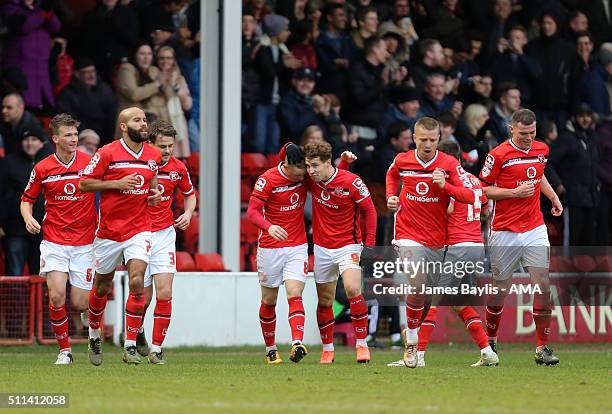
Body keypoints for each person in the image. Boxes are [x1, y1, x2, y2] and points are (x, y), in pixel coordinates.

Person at [388, 139, 498, 367]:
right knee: (457, 302)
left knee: (434, 300)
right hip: (477, 247)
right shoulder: (474, 180)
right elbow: (485, 211)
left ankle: (418, 357)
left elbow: (446, 210)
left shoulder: (444, 182)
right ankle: (487, 352)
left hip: (457, 247)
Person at [479, 108, 563, 365]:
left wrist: (552, 196)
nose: (528, 137)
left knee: (543, 284)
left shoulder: (541, 149)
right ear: (511, 129)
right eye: (524, 133)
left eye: (532, 132)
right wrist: (514, 193)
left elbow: (539, 175)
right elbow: (482, 188)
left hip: (534, 227)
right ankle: (490, 341)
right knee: (500, 289)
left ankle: (542, 348)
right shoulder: (498, 155)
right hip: (504, 230)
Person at [79, 107, 162, 366]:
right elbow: (84, 183)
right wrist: (116, 184)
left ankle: (130, 345)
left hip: (140, 228)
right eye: (137, 120)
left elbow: (152, 182)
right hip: (109, 232)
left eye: (145, 120)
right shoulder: (107, 152)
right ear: (124, 126)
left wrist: (155, 193)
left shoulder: (154, 154)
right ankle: (94, 333)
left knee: (137, 279)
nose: (144, 124)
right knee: (102, 286)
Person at [20, 114, 97, 365]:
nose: (74, 139)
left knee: (79, 302)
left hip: (85, 242)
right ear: (55, 138)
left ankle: (92, 316)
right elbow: (26, 199)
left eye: (75, 134)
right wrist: (28, 218)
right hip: (54, 240)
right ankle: (65, 351)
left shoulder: (90, 163)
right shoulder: (42, 168)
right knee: (55, 296)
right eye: (68, 135)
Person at [303, 141, 377, 364]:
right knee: (325, 301)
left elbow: (370, 211)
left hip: (349, 245)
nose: (311, 171)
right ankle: (327, 349)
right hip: (323, 248)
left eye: (315, 165)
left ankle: (362, 345)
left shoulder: (352, 182)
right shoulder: (312, 181)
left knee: (353, 288)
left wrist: (370, 247)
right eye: (308, 166)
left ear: (328, 163)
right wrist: (343, 162)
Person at [246, 143, 309, 364]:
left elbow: (332, 177)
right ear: (287, 165)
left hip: (297, 246)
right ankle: (271, 349)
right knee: (269, 299)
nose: (304, 175)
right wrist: (269, 226)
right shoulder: (268, 180)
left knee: (294, 292)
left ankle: (297, 343)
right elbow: (252, 212)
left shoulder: (306, 177)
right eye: (300, 170)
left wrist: (346, 162)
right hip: (270, 248)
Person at [140, 120, 196, 364]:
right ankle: (137, 329)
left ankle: (157, 348)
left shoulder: (178, 168)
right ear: (149, 143)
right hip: (138, 235)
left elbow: (189, 194)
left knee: (165, 292)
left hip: (164, 234)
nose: (166, 151)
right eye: (162, 146)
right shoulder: (137, 165)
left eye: (170, 146)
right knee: (143, 298)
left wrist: (187, 213)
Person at [55, 57, 117, 145]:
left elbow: (112, 115)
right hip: (81, 138)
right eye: (87, 72)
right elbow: (68, 118)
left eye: (93, 71)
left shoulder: (105, 89)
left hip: (106, 137)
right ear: (77, 74)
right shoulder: (67, 93)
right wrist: (86, 133)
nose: (91, 75)